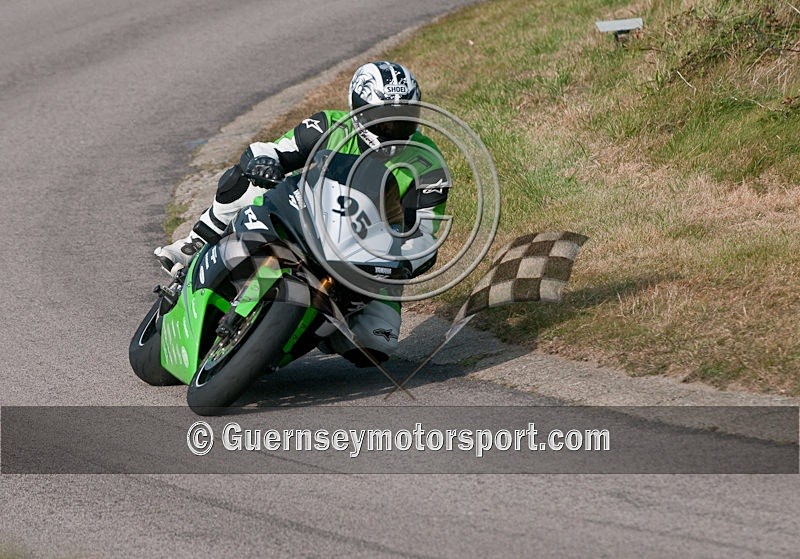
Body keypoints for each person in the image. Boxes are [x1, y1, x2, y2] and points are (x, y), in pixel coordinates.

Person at [154, 61, 449, 365]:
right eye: (384, 121)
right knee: (246, 182)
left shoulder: (429, 165)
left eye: (403, 120)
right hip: (303, 219)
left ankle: (304, 331)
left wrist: (403, 262)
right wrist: (264, 162)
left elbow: (424, 234)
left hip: (365, 257)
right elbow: (269, 150)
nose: (393, 129)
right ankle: (195, 244)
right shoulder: (326, 126)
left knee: (374, 346)